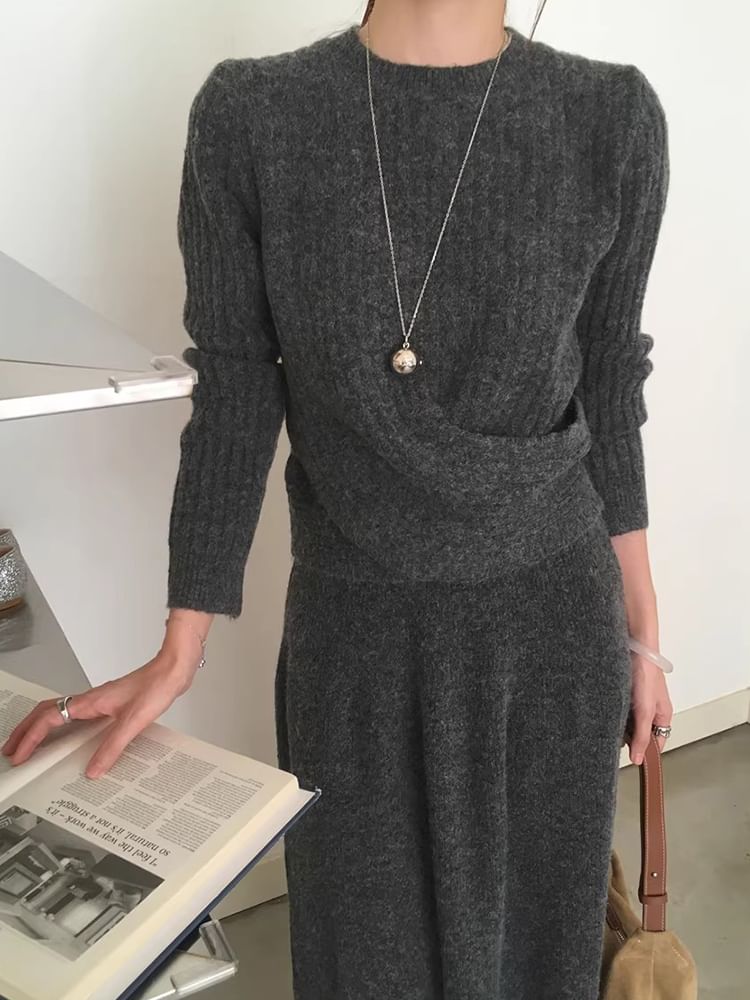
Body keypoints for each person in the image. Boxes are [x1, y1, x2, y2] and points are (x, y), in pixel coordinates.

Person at [1, 1, 674, 997]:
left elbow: (609, 379)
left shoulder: (609, 116)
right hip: (355, 639)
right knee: (365, 963)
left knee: (537, 961)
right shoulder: (253, 115)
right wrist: (181, 644)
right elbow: (236, 385)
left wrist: (644, 635)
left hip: (551, 632)